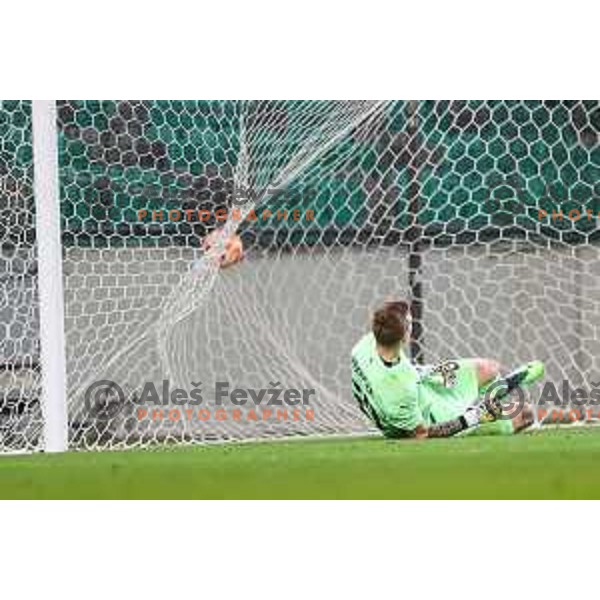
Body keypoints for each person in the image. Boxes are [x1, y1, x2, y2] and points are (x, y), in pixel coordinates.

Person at [351, 300, 543, 439]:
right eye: (410, 323)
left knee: (489, 369)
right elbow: (421, 434)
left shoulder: (363, 347)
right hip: (433, 416)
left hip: (419, 381)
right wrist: (474, 417)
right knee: (525, 415)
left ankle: (493, 395)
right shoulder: (402, 390)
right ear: (404, 337)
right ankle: (488, 409)